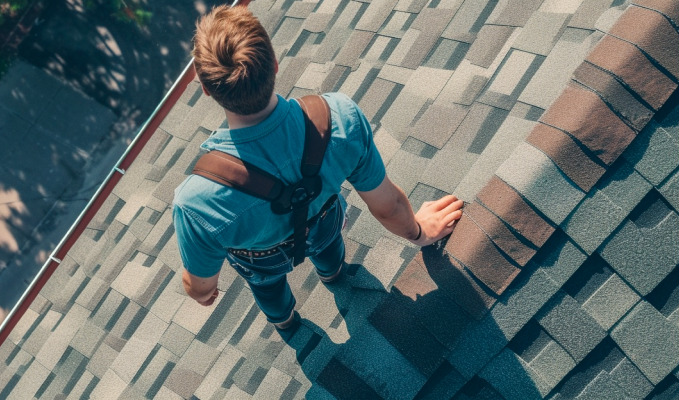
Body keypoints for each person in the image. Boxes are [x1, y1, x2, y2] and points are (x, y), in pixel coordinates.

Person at [172, 5, 463, 330]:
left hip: (261, 260)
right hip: (324, 223)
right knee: (328, 247)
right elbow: (389, 206)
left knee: (267, 286)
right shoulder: (339, 117)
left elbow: (202, 284)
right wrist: (419, 233)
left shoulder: (196, 202)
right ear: (276, 63)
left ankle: (283, 320)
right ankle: (333, 273)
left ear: (207, 89)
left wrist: (198, 290)